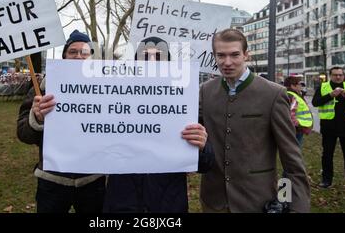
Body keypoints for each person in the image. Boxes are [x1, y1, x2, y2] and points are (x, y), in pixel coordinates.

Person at [195, 28, 310, 213]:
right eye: (221, 55)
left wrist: (293, 206)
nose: (227, 62)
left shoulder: (273, 94)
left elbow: (291, 161)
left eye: (234, 55)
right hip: (213, 201)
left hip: (257, 201)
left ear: (246, 55)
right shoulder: (205, 91)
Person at [102, 36, 214, 212]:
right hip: (122, 202)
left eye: (158, 57)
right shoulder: (112, 98)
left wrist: (202, 146)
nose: (152, 62)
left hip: (168, 204)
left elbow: (205, 164)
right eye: (146, 57)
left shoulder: (184, 100)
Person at [17, 30, 106, 213]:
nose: (78, 56)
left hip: (92, 180)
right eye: (73, 52)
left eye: (84, 52)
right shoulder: (42, 87)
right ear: (64, 55)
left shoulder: (106, 88)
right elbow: (23, 134)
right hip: (52, 180)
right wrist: (37, 118)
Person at [312, 67, 345, 194]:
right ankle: (326, 180)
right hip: (329, 127)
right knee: (327, 155)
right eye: (335, 75)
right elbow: (315, 102)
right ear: (330, 76)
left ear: (343, 75)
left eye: (340, 75)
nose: (338, 77)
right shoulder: (323, 87)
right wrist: (330, 95)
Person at [283, 76, 313, 148]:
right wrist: (298, 126)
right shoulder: (293, 96)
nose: (301, 86)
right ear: (293, 86)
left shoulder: (291, 94)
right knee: (295, 150)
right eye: (299, 84)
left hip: (296, 128)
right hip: (296, 129)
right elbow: (291, 114)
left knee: (292, 150)